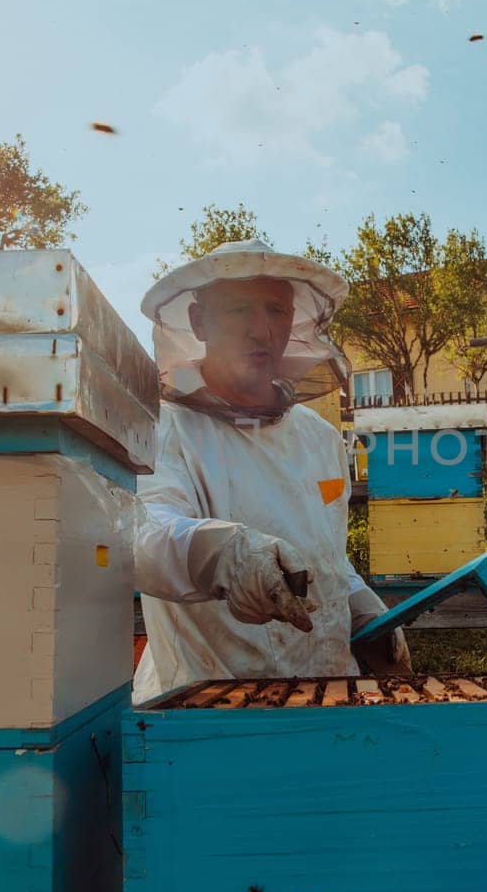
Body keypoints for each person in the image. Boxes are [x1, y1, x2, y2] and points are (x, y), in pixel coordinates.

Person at [132, 239, 408, 705]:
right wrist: (223, 555)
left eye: (277, 311)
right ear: (199, 322)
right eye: (240, 309)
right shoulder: (162, 431)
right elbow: (145, 535)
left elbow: (325, 552)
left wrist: (361, 609)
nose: (261, 330)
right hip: (205, 704)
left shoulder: (318, 437)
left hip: (327, 693)